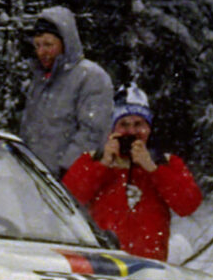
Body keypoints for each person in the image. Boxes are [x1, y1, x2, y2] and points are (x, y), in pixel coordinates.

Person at [59, 87, 201, 260]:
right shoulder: (92, 160)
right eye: (124, 125)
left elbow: (188, 204)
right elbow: (65, 203)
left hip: (150, 266)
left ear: (148, 129)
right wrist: (102, 164)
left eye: (138, 124)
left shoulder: (167, 163)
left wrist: (153, 169)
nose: (132, 132)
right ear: (113, 129)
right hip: (102, 263)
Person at [18, 7, 115, 173]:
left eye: (48, 44)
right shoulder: (40, 80)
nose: (42, 52)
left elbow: (93, 132)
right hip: (34, 177)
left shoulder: (90, 77)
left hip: (68, 181)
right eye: (37, 45)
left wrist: (67, 169)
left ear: (65, 43)